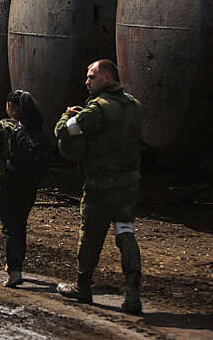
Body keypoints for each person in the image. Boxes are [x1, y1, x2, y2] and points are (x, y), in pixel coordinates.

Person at [54, 59, 144, 314]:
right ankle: (132, 291)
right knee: (125, 232)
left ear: (106, 78)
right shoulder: (134, 106)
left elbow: (64, 132)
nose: (87, 81)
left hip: (101, 184)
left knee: (90, 235)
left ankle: (83, 286)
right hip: (128, 184)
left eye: (91, 76)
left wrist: (65, 116)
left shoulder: (98, 108)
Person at [0, 90, 50, 288]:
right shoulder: (36, 128)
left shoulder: (2, 126)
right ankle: (17, 265)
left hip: (7, 182)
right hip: (29, 184)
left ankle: (14, 271)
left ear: (10, 106)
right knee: (20, 224)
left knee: (9, 227)